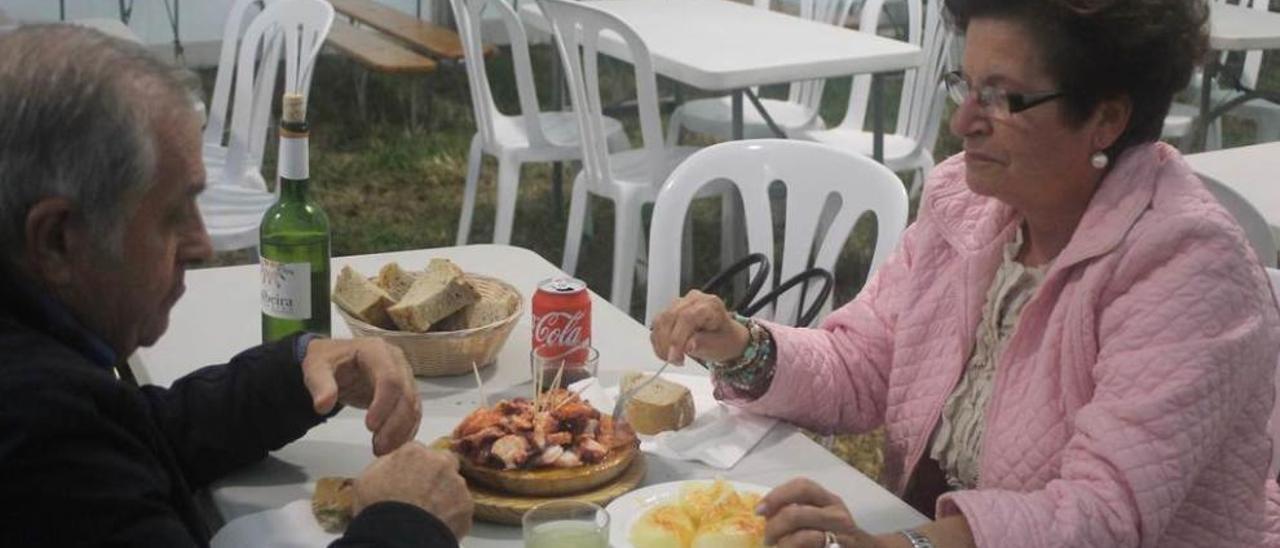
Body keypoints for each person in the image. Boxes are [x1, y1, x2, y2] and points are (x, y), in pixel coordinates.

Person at [650, 0, 1280, 546]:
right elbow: (867, 361)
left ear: (1106, 119)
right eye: (965, 84)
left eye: (1003, 97)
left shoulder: (1186, 268)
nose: (961, 122)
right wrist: (740, 344)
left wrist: (903, 545)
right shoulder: (970, 201)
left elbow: (1099, 515)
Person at [0, 25, 473, 547]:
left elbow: (133, 433)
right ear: (58, 240)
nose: (202, 244)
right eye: (172, 215)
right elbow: (83, 450)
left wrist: (296, 373)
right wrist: (406, 523)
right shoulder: (36, 436)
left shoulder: (45, 384)